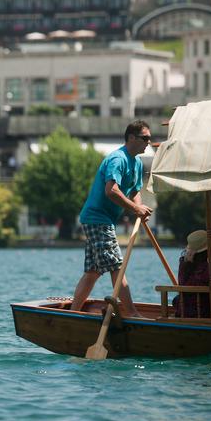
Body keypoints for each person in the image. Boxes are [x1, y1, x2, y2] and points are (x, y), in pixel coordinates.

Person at [70, 120, 154, 317]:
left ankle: (73, 314)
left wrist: (139, 209)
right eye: (145, 138)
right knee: (117, 266)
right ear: (131, 138)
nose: (148, 142)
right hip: (97, 219)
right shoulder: (118, 159)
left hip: (102, 220)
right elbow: (111, 191)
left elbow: (135, 191)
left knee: (93, 271)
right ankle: (132, 313)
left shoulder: (137, 163)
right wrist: (135, 208)